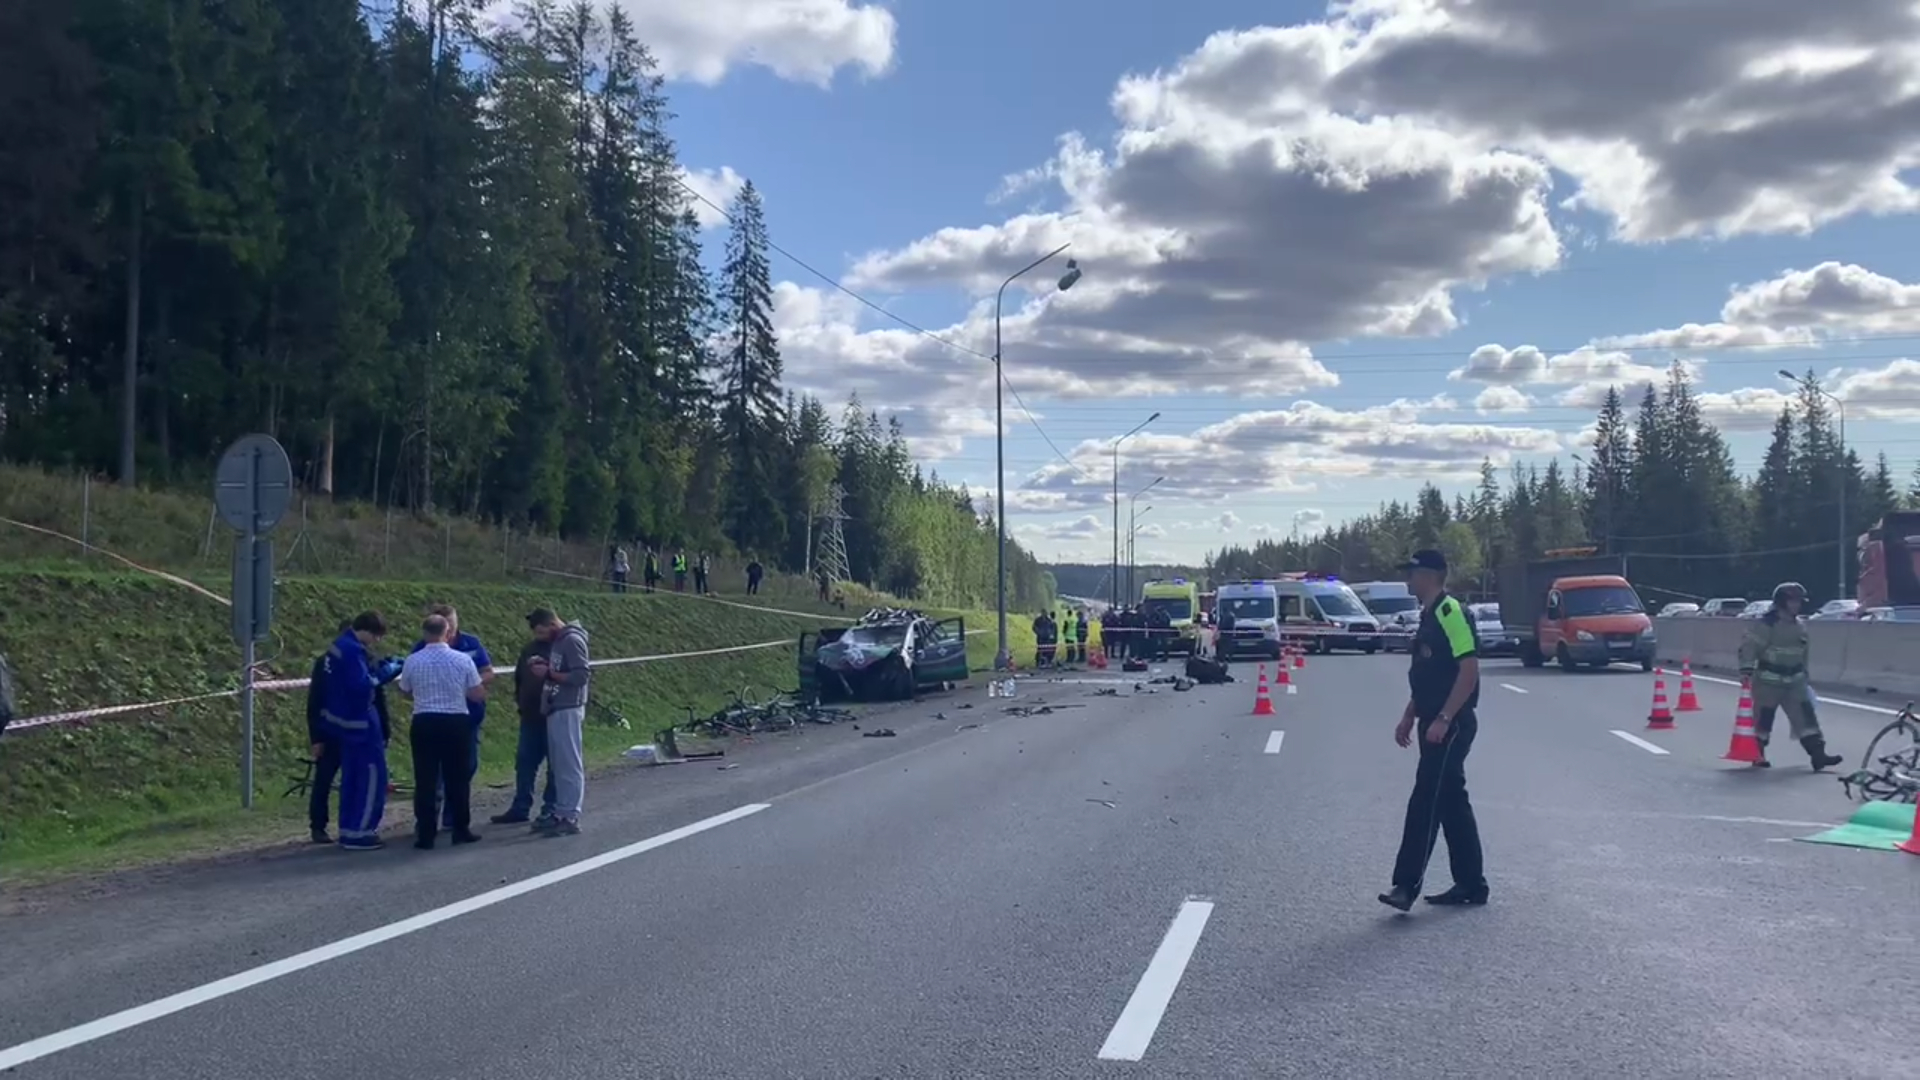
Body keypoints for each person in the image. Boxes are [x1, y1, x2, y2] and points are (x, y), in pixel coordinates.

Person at [1380, 549, 1487, 911]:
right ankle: (1472, 883)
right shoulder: (1429, 615)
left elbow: (1467, 670)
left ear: (1429, 575)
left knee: (1426, 799)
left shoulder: (1449, 613)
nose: (1408, 581)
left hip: (1450, 723)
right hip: (1434, 719)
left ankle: (1405, 886)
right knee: (1451, 801)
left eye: (1411, 574)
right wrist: (1410, 714)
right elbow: (1429, 675)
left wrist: (1443, 719)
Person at [398, 613, 486, 849]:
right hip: (456, 720)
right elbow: (477, 693)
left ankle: (426, 834)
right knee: (458, 778)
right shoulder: (462, 660)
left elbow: (405, 689)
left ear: (425, 633)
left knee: (425, 778)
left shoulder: (413, 660)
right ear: (447, 632)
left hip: (424, 720)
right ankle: (460, 829)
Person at [1737, 581, 1844, 771]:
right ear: (1781, 602)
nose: (1797, 605)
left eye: (1799, 602)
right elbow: (1749, 648)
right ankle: (1758, 754)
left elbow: (1804, 654)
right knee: (1763, 720)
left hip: (1795, 682)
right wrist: (1746, 671)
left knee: (1806, 718)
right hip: (1768, 682)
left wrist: (1805, 677)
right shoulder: (1766, 625)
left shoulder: (1800, 626)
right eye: (1793, 601)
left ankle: (1818, 755)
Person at [304, 622, 395, 844]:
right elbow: (315, 700)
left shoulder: (362, 658)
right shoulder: (328, 663)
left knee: (352, 778)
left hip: (347, 727)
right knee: (327, 779)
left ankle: (346, 825)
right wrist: (316, 737)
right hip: (337, 731)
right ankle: (319, 826)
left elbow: (377, 697)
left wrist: (384, 730)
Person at [527, 607, 590, 836]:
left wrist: (549, 674)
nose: (541, 638)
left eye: (543, 633)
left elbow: (581, 675)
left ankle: (571, 814)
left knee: (569, 763)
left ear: (552, 624)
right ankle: (561, 811)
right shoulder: (559, 642)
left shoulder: (571, 640)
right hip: (555, 706)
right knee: (559, 764)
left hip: (568, 707)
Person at [491, 619, 561, 829]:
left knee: (555, 766)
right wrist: (519, 702)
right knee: (524, 763)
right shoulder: (528, 649)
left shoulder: (561, 648)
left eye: (541, 624)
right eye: (534, 626)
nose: (537, 629)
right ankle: (520, 806)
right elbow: (519, 678)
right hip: (530, 715)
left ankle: (551, 807)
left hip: (554, 715)